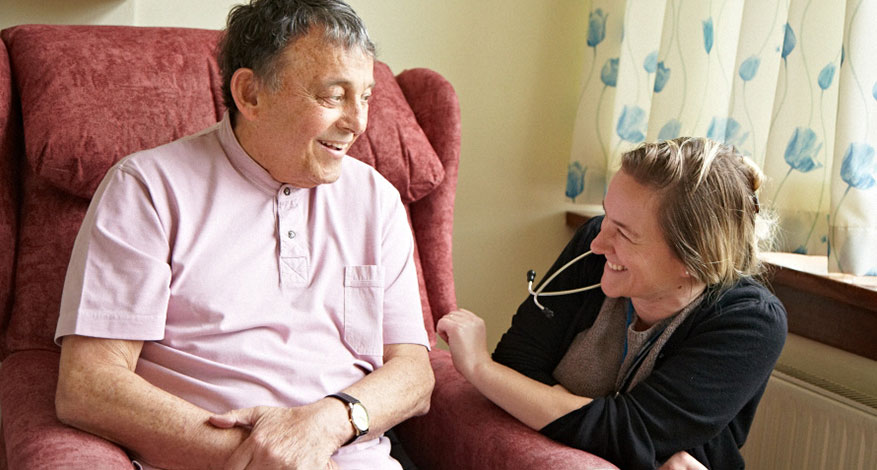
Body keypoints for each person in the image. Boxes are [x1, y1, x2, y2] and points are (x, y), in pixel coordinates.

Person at [54, 1, 434, 469]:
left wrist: (328, 424)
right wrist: (270, 459)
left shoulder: (377, 200)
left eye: (367, 96)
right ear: (251, 93)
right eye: (334, 96)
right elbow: (88, 387)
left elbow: (414, 375)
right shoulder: (148, 189)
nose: (358, 122)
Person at [438, 137, 787, 469]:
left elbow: (628, 431)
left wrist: (480, 368)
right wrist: (640, 450)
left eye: (625, 233)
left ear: (692, 259)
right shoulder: (593, 246)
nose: (598, 243)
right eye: (607, 215)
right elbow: (518, 362)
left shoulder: (751, 322)